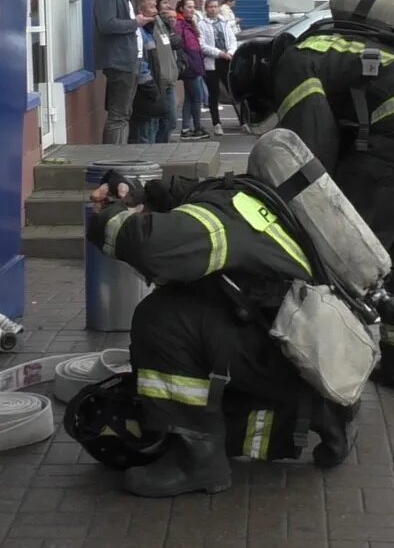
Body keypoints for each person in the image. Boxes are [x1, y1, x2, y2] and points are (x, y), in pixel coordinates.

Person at [251, 0, 394, 393]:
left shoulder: (296, 60)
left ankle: (327, 372)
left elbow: (307, 146)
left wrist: (305, 208)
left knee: (343, 260)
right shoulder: (358, 44)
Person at [84, 171, 356, 496]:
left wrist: (108, 217)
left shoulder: (215, 220)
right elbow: (179, 193)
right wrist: (138, 193)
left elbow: (148, 245)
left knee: (162, 320)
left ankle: (196, 462)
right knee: (199, 308)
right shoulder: (245, 195)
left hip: (286, 355)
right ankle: (320, 409)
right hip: (310, 344)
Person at [94, 0, 150, 144]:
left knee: (124, 113)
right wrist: (136, 23)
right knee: (118, 116)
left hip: (127, 60)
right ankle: (113, 157)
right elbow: (107, 24)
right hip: (119, 62)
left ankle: (118, 154)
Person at [131, 0, 179, 144]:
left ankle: (159, 151)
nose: (158, 3)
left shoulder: (158, 20)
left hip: (167, 79)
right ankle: (154, 154)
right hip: (153, 81)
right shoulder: (141, 25)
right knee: (149, 127)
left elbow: (171, 44)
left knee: (169, 121)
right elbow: (142, 56)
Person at [127, 0, 166, 144]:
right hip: (144, 90)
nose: (155, 11)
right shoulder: (139, 33)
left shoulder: (149, 31)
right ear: (140, 11)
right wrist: (150, 85)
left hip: (153, 85)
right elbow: (140, 61)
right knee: (143, 133)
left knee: (152, 128)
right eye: (151, 7)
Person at [175, 0, 212, 140]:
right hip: (190, 67)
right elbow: (181, 46)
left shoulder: (188, 24)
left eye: (193, 7)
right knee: (197, 98)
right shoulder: (180, 25)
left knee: (190, 99)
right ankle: (197, 127)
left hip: (194, 65)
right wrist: (187, 63)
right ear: (181, 9)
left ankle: (186, 128)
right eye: (189, 7)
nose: (192, 9)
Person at [205, 0, 239, 133]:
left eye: (215, 6)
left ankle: (242, 120)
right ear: (206, 9)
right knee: (214, 92)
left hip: (227, 60)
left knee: (233, 90)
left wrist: (230, 52)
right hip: (213, 61)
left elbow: (232, 39)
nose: (213, 9)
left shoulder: (224, 23)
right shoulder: (202, 24)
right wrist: (219, 53)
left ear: (219, 8)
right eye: (210, 7)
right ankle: (216, 123)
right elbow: (202, 45)